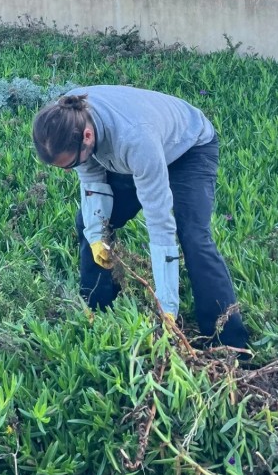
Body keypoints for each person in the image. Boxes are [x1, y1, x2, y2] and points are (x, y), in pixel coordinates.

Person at [32, 85, 248, 350]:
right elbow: (91, 178)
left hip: (189, 149)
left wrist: (166, 306)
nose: (68, 171)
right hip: (132, 151)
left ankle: (228, 342)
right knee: (91, 224)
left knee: (193, 237)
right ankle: (97, 312)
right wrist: (97, 236)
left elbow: (160, 224)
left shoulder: (135, 139)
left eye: (70, 164)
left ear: (87, 136)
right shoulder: (66, 120)